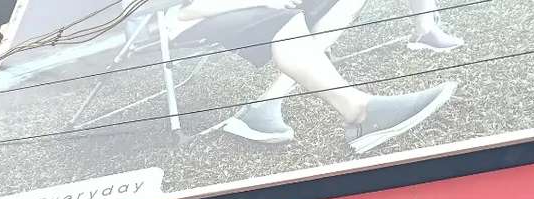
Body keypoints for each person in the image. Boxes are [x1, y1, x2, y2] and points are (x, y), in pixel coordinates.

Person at [172, 0, 457, 153]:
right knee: (284, 20)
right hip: (192, 16)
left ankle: (267, 104)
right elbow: (187, 9)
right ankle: (359, 112)